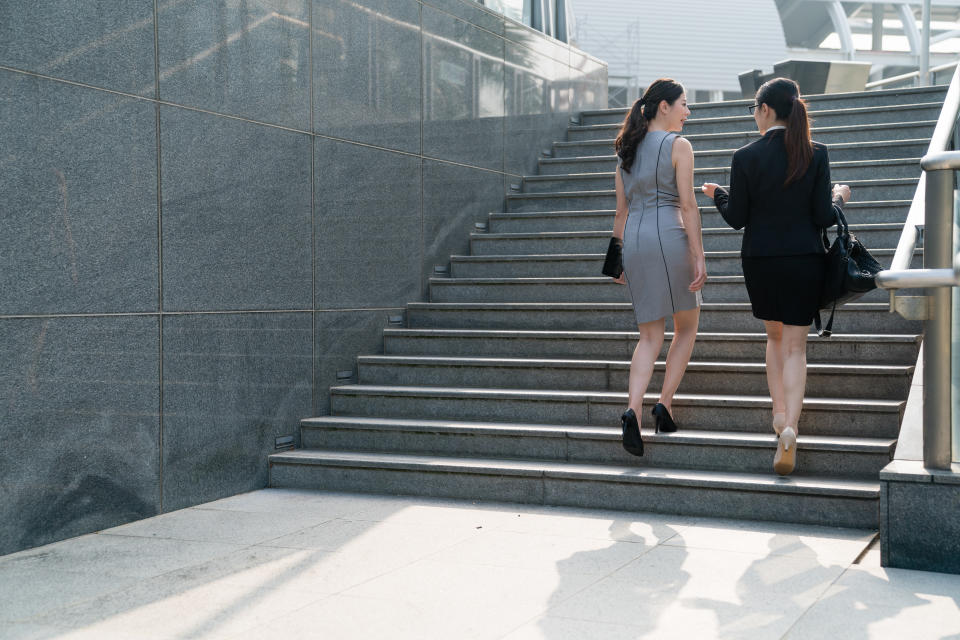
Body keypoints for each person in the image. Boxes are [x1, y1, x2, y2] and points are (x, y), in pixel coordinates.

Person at [701, 77, 851, 476]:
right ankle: (791, 428)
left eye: (754, 108)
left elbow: (737, 218)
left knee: (773, 337)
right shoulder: (815, 153)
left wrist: (716, 193)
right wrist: (839, 197)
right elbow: (823, 216)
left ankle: (777, 414)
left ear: (766, 109)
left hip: (761, 260)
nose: (754, 115)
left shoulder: (745, 155)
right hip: (804, 259)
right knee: (796, 348)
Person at [609, 78, 707, 457]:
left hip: (635, 241)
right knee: (687, 327)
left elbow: (621, 212)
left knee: (649, 336)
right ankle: (664, 403)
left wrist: (617, 260)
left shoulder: (626, 153)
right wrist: (699, 254)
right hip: (670, 237)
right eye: (684, 103)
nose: (687, 111)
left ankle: (632, 409)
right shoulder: (679, 146)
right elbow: (688, 206)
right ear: (663, 106)